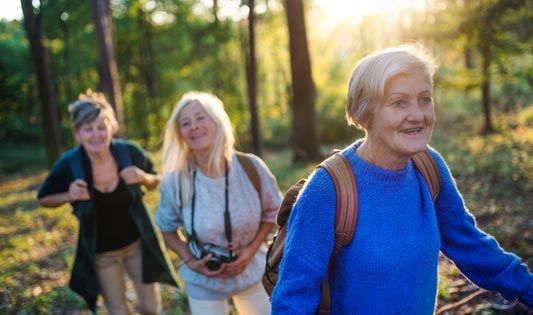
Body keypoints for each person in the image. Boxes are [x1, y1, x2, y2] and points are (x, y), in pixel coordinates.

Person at [271, 45, 533, 314]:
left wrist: (527, 287)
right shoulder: (328, 189)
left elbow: (472, 246)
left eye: (424, 99)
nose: (418, 115)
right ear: (365, 112)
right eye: (399, 102)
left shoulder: (429, 168)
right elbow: (294, 296)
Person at [38, 90, 179, 314]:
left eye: (101, 127)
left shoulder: (128, 152)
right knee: (117, 309)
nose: (96, 135)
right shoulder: (70, 164)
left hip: (136, 246)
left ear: (111, 127)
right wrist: (68, 195)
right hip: (102, 255)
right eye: (88, 129)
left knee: (151, 308)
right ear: (77, 133)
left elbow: (157, 180)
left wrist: (143, 177)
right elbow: (44, 198)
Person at [154, 91, 282, 315]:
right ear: (180, 134)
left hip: (253, 271)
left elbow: (274, 213)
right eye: (185, 123)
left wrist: (250, 251)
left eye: (200, 117)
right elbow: (166, 227)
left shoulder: (251, 167)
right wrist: (190, 260)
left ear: (217, 120)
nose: (193, 126)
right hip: (204, 281)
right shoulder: (176, 180)